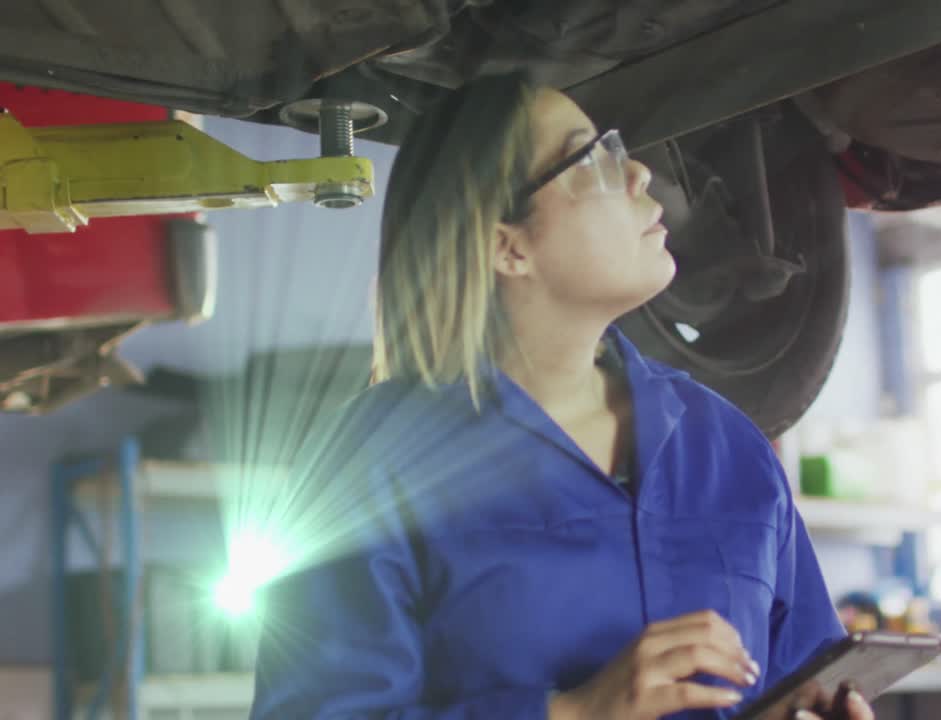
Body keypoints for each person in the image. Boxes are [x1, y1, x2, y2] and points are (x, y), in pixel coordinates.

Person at [249, 72, 873, 720]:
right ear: (507, 245)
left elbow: (801, 674)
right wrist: (573, 713)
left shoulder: (725, 444)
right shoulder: (370, 462)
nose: (638, 176)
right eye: (592, 160)